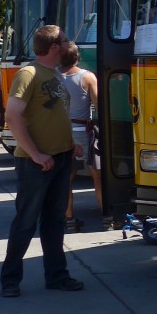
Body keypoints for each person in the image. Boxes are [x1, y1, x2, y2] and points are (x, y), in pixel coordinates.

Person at [0, 25, 85, 297]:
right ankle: (10, 281)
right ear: (54, 46)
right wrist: (36, 154)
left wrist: (70, 145)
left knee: (54, 221)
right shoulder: (29, 73)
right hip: (36, 163)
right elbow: (12, 117)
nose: (68, 44)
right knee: (26, 222)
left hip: (60, 158)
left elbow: (52, 115)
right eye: (64, 40)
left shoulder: (54, 74)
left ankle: (57, 276)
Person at [59, 41, 102, 231]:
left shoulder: (54, 77)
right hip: (82, 130)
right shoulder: (87, 77)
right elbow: (99, 106)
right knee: (96, 173)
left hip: (62, 132)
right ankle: (106, 215)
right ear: (78, 57)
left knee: (67, 176)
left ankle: (69, 218)